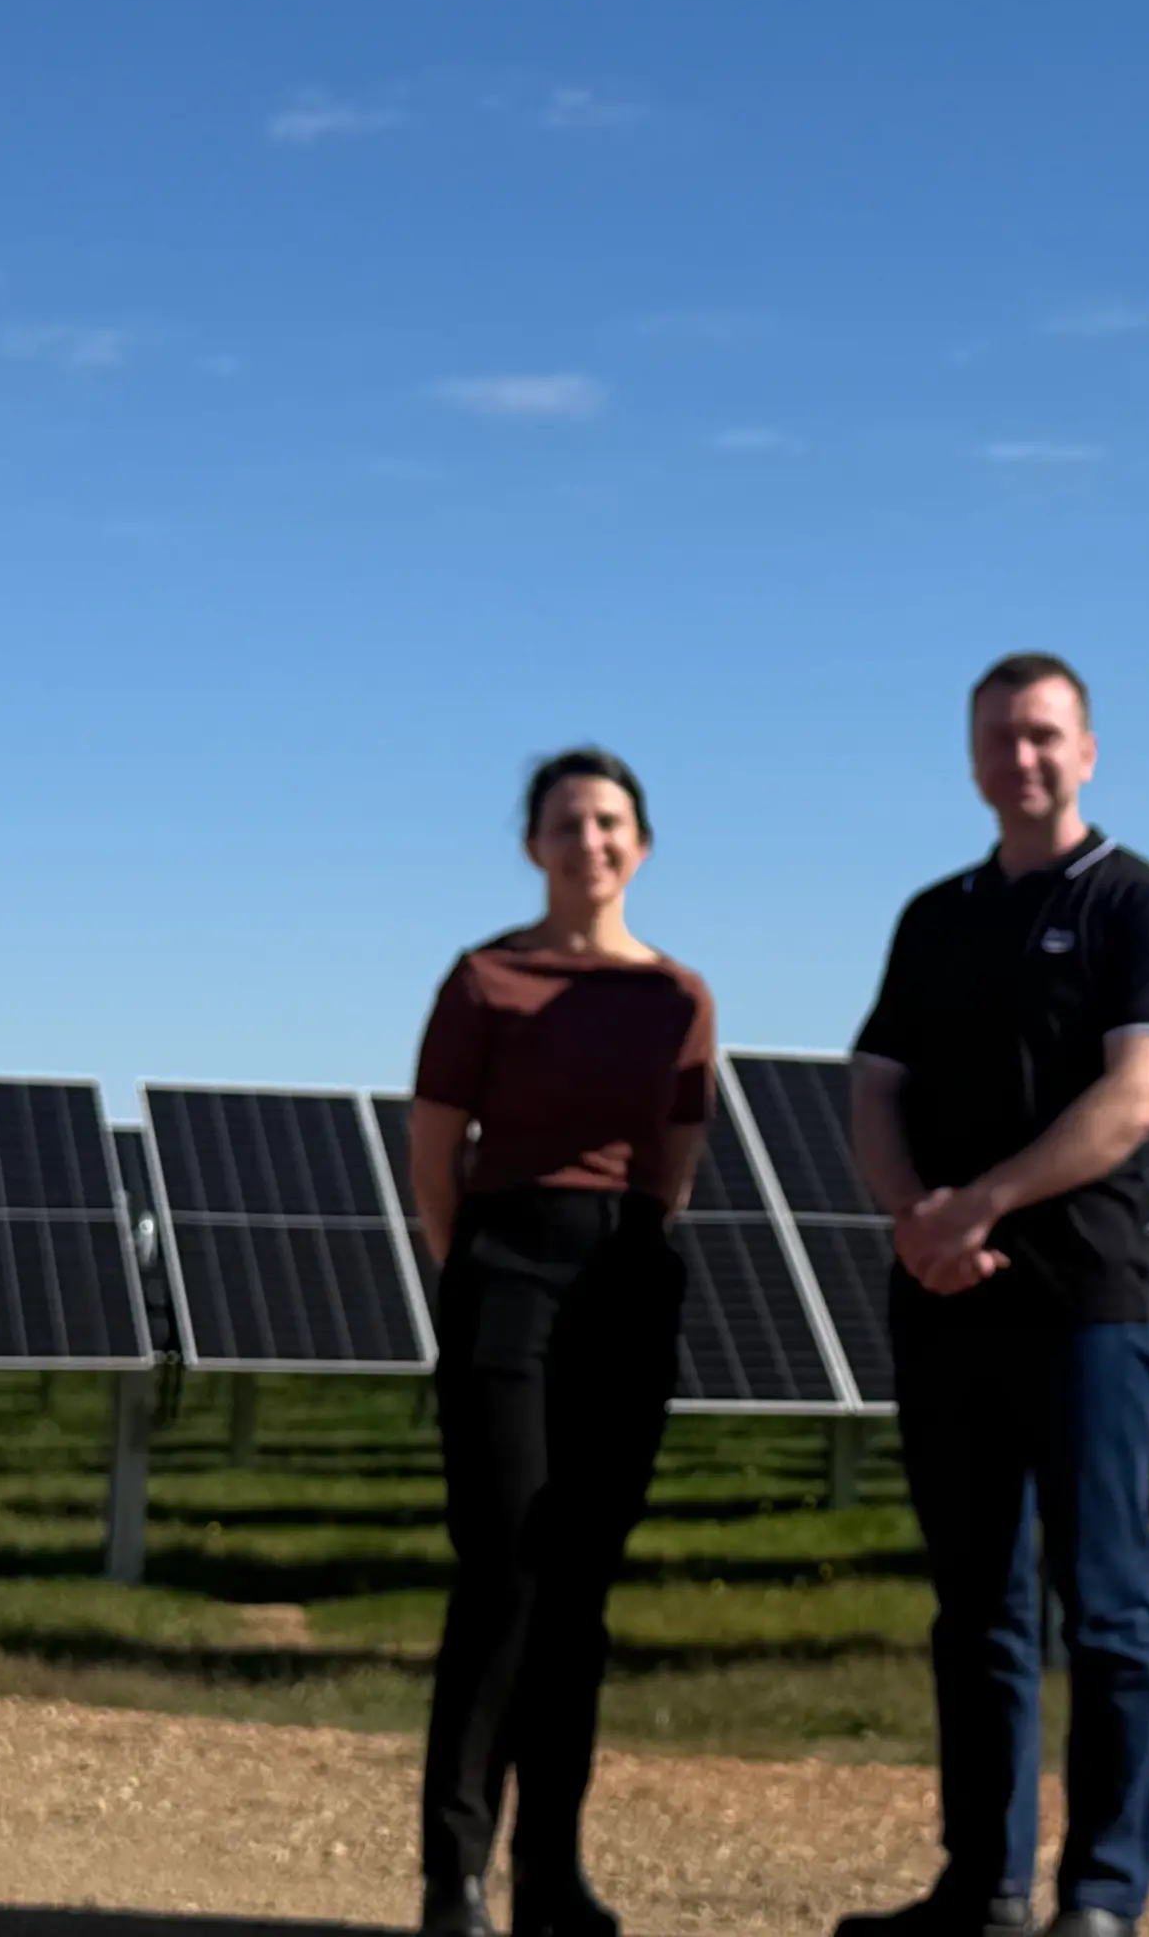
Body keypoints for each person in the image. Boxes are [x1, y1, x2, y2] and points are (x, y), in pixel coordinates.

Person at [837, 654, 1149, 1937]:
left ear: (1087, 751)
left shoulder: (1136, 902)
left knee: (1105, 1605)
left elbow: (1136, 1096)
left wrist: (978, 1204)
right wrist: (914, 1220)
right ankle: (980, 1886)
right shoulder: (934, 916)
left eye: (1045, 734)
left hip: (1084, 1300)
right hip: (945, 1301)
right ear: (973, 759)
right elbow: (876, 1082)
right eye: (1000, 737)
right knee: (979, 1607)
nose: (1024, 757)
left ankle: (1099, 1894)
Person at [407, 747, 710, 1937]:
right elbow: (436, 1153)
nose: (591, 841)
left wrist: (626, 1252)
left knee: (579, 1584)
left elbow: (674, 1161)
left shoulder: (679, 996)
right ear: (534, 844)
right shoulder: (487, 979)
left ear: (643, 843)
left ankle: (552, 1874)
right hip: (508, 1272)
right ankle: (456, 1876)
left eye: (610, 821)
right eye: (568, 822)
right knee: (506, 1570)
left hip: (625, 1280)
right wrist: (479, 1271)